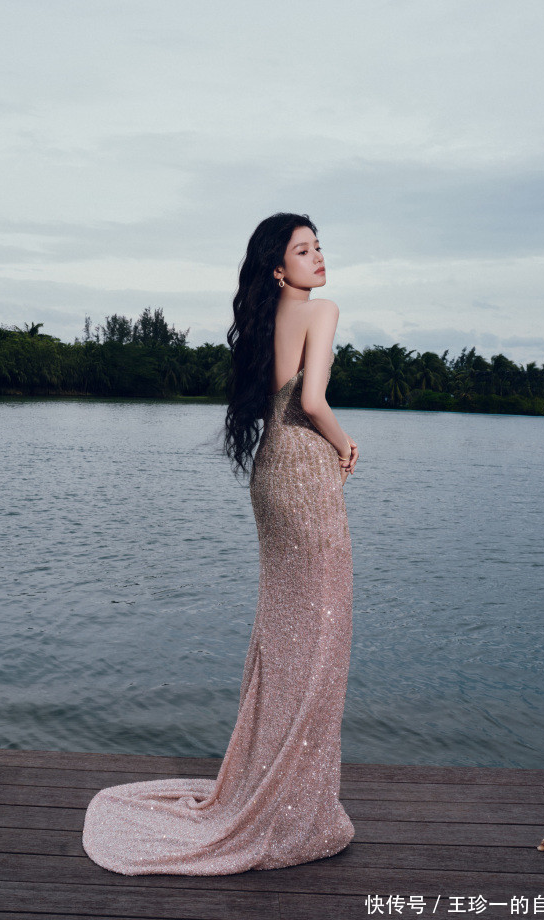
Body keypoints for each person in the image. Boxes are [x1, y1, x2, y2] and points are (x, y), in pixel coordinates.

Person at [82, 212, 359, 875]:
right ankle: (296, 811)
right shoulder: (322, 312)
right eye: (303, 250)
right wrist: (346, 442)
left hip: (272, 471)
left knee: (286, 632)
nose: (318, 257)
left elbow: (275, 403)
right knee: (323, 633)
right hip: (306, 471)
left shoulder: (265, 324)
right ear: (278, 268)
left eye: (319, 247)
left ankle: (274, 791)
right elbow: (312, 400)